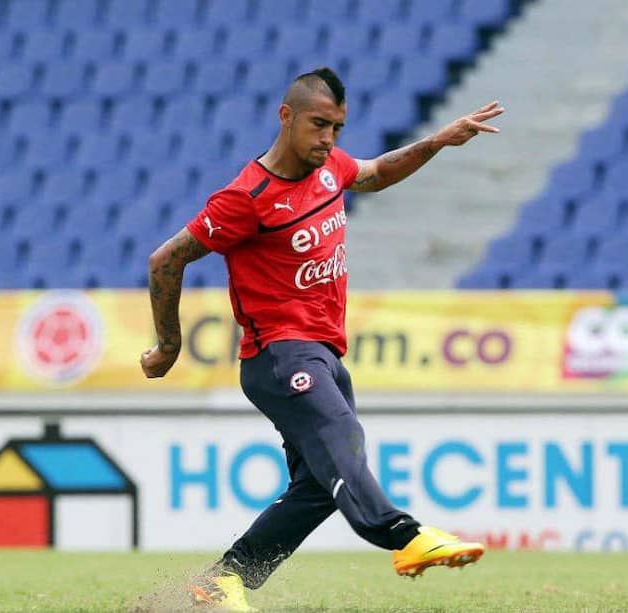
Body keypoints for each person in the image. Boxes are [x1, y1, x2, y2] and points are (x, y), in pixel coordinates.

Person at [141, 67, 503, 612]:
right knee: (341, 434)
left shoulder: (329, 167)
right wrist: (169, 346)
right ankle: (404, 536)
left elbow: (375, 173)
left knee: (318, 484)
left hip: (325, 352)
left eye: (336, 128)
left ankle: (223, 581)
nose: (328, 139)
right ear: (286, 116)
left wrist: (438, 141)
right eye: (319, 125)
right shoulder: (246, 198)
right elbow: (165, 259)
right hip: (278, 354)